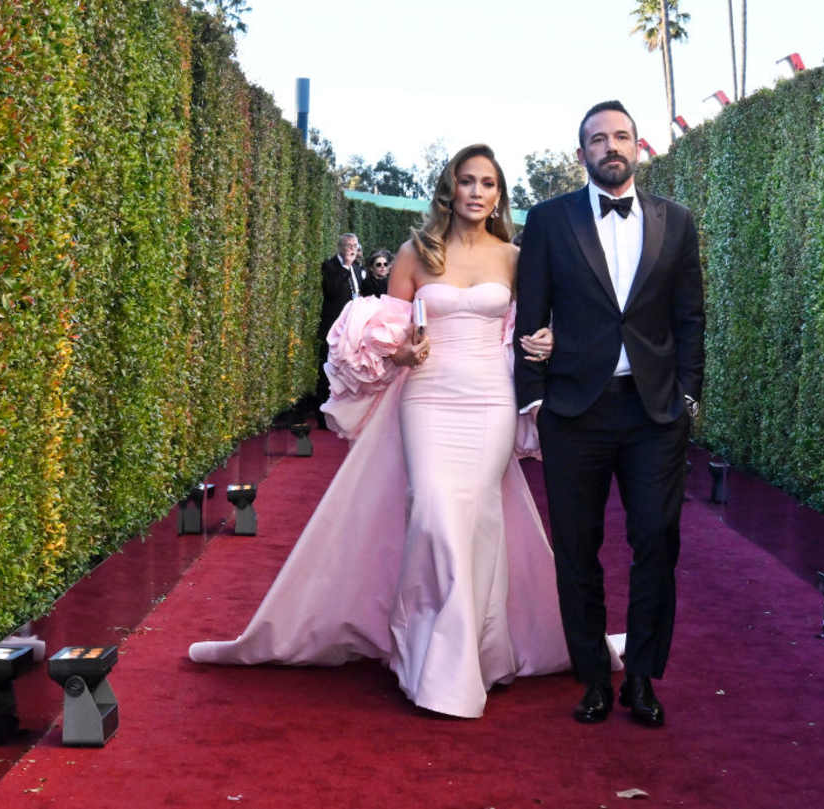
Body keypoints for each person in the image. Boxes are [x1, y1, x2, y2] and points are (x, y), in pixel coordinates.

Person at [189, 145, 612, 719]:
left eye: (489, 183)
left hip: (489, 398)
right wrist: (404, 353)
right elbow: (386, 338)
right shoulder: (417, 254)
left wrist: (546, 344)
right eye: (468, 181)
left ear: (499, 195)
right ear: (451, 188)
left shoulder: (516, 256)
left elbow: (530, 331)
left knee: (481, 518)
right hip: (429, 399)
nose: (478, 192)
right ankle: (431, 654)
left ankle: (480, 655)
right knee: (434, 513)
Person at [514, 101, 705, 727]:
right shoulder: (547, 221)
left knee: (656, 539)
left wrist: (688, 396)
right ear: (582, 155)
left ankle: (643, 678)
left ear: (638, 146)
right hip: (574, 410)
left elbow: (690, 317)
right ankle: (593, 676)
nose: (611, 146)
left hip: (653, 413)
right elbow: (530, 317)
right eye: (598, 139)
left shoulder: (677, 223)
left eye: (620, 136)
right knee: (577, 547)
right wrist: (534, 398)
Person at [316, 233, 367, 428]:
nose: (352, 249)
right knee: (328, 370)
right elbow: (332, 291)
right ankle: (322, 417)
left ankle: (346, 416)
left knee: (350, 372)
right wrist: (345, 266)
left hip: (353, 329)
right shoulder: (330, 266)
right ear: (340, 247)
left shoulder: (357, 269)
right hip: (333, 328)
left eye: (355, 245)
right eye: (348, 245)